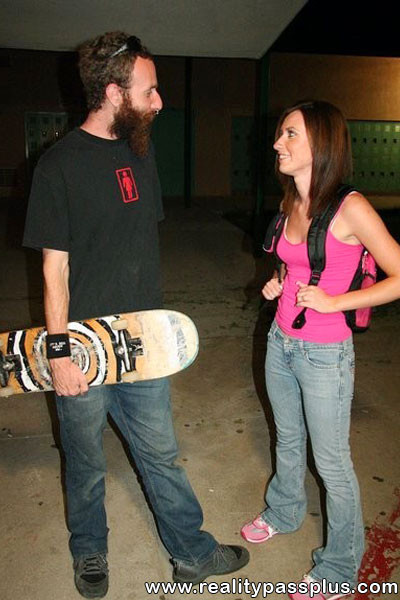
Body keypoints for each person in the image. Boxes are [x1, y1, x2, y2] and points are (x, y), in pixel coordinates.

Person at [23, 31, 249, 599]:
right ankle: (90, 551)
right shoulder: (58, 167)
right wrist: (58, 353)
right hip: (82, 344)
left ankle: (191, 554)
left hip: (143, 342)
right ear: (113, 92)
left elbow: (138, 247)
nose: (159, 102)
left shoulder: (140, 154)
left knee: (161, 454)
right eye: (149, 90)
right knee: (85, 461)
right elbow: (55, 271)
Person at [240, 100, 400, 600]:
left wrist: (337, 301)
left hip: (325, 354)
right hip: (281, 342)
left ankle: (338, 568)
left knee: (332, 464)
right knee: (287, 439)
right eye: (280, 134)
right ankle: (285, 511)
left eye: (289, 134)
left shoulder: (350, 207)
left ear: (320, 144)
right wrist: (277, 283)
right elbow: (294, 265)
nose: (276, 143)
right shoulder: (291, 200)